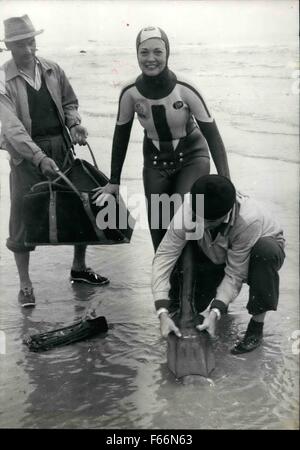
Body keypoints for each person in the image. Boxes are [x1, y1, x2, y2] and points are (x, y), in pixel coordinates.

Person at [0, 15, 109, 308]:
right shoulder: (3, 80)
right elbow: (11, 129)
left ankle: (79, 267)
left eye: (32, 41)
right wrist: (38, 157)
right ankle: (25, 285)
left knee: (79, 204)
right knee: (21, 218)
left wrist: (74, 126)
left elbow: (70, 102)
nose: (29, 49)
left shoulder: (52, 69)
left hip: (61, 148)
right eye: (21, 45)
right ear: (9, 47)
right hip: (26, 156)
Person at [93, 26, 230, 251]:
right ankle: (167, 284)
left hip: (192, 158)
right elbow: (121, 134)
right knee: (159, 233)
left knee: (182, 220)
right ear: (136, 54)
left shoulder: (185, 88)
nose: (151, 59)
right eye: (144, 52)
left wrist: (226, 183)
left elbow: (212, 135)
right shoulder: (130, 92)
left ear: (168, 53)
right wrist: (114, 181)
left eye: (158, 51)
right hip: (155, 162)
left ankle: (191, 280)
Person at [152, 175, 285, 354]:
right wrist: (162, 311)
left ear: (224, 215)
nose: (200, 224)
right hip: (215, 250)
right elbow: (164, 256)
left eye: (208, 221)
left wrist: (215, 311)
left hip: (255, 250)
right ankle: (208, 306)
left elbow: (235, 272)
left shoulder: (249, 220)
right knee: (193, 308)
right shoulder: (190, 208)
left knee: (265, 252)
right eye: (197, 217)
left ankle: (256, 327)